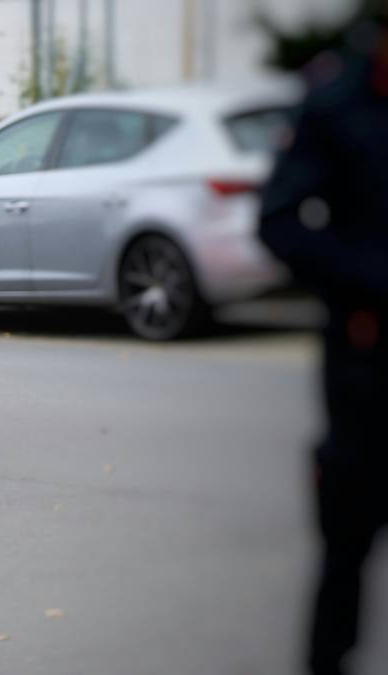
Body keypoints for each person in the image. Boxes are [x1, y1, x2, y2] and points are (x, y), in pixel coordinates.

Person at [258, 6, 388, 675]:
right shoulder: (339, 100)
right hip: (367, 372)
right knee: (346, 557)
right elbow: (279, 221)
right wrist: (368, 283)